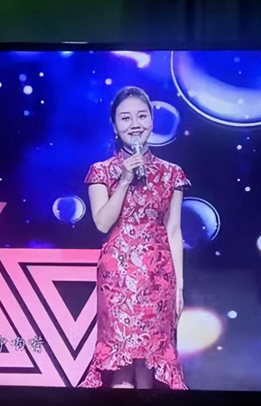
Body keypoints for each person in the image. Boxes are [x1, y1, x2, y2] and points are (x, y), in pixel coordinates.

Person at [79, 86, 190, 390]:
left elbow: (174, 230)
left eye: (141, 116)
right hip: (118, 280)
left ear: (152, 121)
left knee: (149, 364)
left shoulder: (171, 174)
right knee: (122, 361)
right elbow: (102, 223)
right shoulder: (101, 171)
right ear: (115, 125)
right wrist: (125, 180)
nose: (135, 124)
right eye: (125, 118)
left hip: (159, 278)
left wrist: (179, 285)